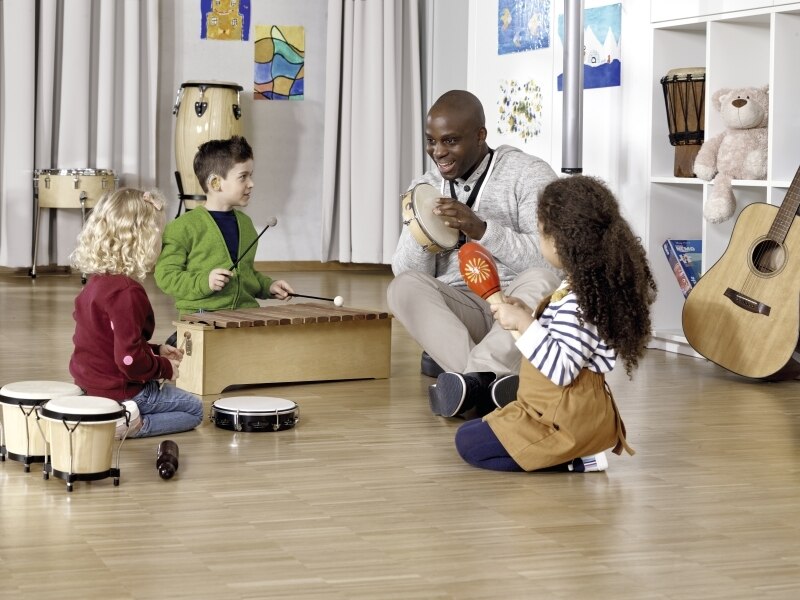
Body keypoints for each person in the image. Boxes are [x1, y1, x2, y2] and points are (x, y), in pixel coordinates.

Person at [453, 175, 657, 472]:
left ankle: (578, 460)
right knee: (473, 432)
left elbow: (562, 369)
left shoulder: (580, 304)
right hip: (545, 408)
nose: (539, 240)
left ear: (561, 242)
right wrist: (528, 314)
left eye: (540, 233)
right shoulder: (579, 289)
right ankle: (565, 451)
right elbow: (561, 339)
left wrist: (525, 324)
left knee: (469, 444)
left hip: (566, 418)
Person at [388, 90, 561, 416]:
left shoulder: (528, 174)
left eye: (450, 141)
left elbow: (553, 263)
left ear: (481, 135)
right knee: (402, 286)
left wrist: (482, 229)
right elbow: (409, 272)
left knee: (542, 278)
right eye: (431, 141)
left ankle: (470, 383)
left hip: (515, 306)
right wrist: (423, 230)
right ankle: (489, 382)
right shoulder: (425, 185)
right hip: (461, 313)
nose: (438, 152)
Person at [69, 188, 204, 438]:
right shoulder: (127, 292)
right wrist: (165, 367)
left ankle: (115, 415)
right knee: (194, 409)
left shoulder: (96, 283)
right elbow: (128, 360)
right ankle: (131, 424)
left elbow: (109, 343)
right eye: (159, 235)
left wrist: (155, 350)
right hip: (122, 391)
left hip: (90, 385)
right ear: (143, 240)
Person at [155, 135, 293, 326]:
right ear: (215, 183)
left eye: (251, 175)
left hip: (245, 318)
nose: (251, 183)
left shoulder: (245, 224)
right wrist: (205, 282)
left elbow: (245, 274)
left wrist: (269, 286)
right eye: (243, 177)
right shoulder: (182, 227)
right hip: (203, 319)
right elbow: (166, 276)